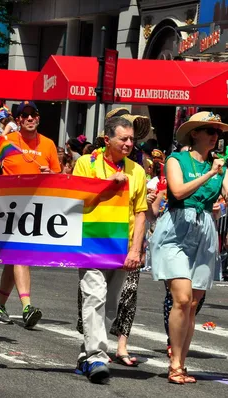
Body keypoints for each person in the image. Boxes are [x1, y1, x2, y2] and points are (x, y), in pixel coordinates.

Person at [150, 111, 228, 384]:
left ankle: (181, 363)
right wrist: (210, 174)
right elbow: (178, 191)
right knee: (181, 298)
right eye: (210, 130)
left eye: (218, 132)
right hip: (176, 227)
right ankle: (174, 363)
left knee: (193, 304)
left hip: (204, 230)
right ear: (194, 133)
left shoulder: (221, 168)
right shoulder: (176, 159)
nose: (215, 136)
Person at [72, 116, 147, 383]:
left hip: (122, 246)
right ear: (107, 140)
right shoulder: (86, 163)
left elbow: (141, 213)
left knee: (111, 305)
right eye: (123, 139)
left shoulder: (137, 171)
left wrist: (136, 250)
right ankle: (97, 357)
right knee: (94, 296)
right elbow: (75, 198)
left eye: (131, 140)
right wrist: (107, 186)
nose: (128, 144)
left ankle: (86, 355)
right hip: (91, 242)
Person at [0, 101, 61, 329]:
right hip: (9, 210)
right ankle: (27, 307)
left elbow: (59, 179)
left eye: (33, 115)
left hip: (37, 211)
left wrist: (50, 174)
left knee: (13, 259)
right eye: (25, 116)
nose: (30, 119)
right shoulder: (7, 142)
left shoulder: (48, 144)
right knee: (21, 255)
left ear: (38, 118)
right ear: (18, 120)